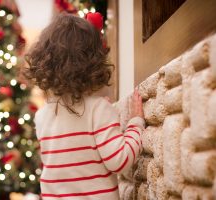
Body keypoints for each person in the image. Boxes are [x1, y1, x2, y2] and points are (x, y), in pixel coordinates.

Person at [25, 13, 145, 200]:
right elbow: (119, 161)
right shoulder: (98, 109)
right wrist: (136, 124)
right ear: (93, 61)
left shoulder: (41, 116)